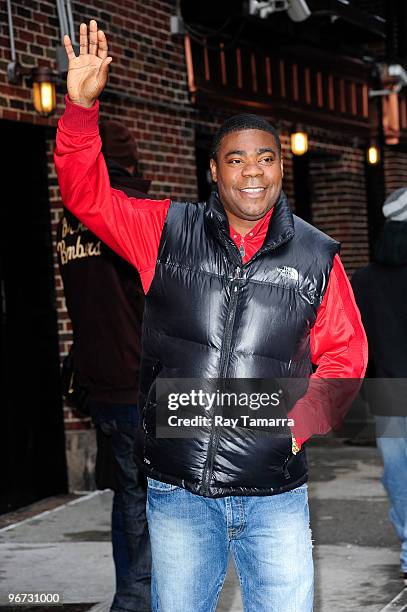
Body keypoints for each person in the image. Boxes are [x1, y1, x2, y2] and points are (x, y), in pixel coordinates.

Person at [54, 20, 367, 612]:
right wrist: (78, 111)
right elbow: (86, 195)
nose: (253, 171)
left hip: (273, 490)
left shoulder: (317, 255)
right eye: (237, 160)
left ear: (281, 168)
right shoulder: (165, 232)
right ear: (215, 172)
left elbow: (346, 356)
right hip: (179, 492)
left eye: (266, 158)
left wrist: (295, 428)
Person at [56, 119, 152, 612]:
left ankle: (132, 597)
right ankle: (149, 599)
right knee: (163, 499)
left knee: (129, 495)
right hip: (144, 378)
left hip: (102, 381)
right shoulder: (129, 210)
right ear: (130, 163)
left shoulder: (69, 217)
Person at [352, 187, 407, 588]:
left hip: (388, 390)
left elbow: (358, 340)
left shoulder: (365, 280)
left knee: (398, 474)